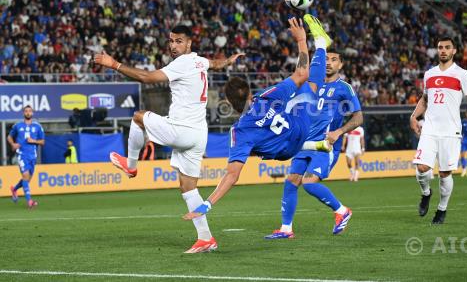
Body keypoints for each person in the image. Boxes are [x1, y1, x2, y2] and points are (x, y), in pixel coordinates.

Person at [93, 25, 243, 253]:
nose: (173, 46)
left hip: (181, 130)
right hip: (198, 134)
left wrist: (114, 64)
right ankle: (206, 238)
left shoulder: (182, 63)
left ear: (189, 44)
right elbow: (216, 64)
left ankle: (131, 166)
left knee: (138, 117)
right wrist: (229, 61)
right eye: (171, 41)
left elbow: (147, 78)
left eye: (179, 41)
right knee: (188, 188)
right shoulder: (199, 60)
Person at [182, 15, 331, 229]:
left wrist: (207, 204)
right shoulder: (266, 96)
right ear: (250, 92)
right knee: (309, 87)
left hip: (286, 150)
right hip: (302, 126)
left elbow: (232, 176)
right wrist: (300, 40)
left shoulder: (239, 131)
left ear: (229, 103)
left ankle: (321, 45)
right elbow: (301, 73)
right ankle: (320, 45)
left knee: (250, 147)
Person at [265, 51, 363, 239]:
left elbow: (359, 117)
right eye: (326, 59)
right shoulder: (311, 85)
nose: (329, 63)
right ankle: (286, 229)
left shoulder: (344, 88)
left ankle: (342, 211)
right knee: (291, 181)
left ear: (341, 65)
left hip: (325, 147)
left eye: (334, 60)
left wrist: (339, 131)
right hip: (304, 144)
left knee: (309, 183)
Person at [410, 37, 467, 224]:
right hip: (430, 129)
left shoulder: (462, 74)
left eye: (447, 48)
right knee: (421, 168)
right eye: (440, 47)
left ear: (454, 51)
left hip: (451, 131)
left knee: (444, 173)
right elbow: (425, 99)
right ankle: (426, 193)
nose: (443, 50)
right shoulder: (429, 74)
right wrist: (413, 116)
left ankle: (441, 209)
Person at [8, 105, 45, 208]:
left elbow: (42, 142)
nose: (28, 113)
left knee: (27, 179)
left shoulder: (38, 126)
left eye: (30, 111)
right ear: (23, 113)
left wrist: (34, 141)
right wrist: (13, 144)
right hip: (21, 154)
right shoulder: (18, 126)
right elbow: (9, 137)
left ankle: (14, 189)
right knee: (25, 176)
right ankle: (30, 201)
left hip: (32, 156)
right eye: (26, 111)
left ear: (32, 113)